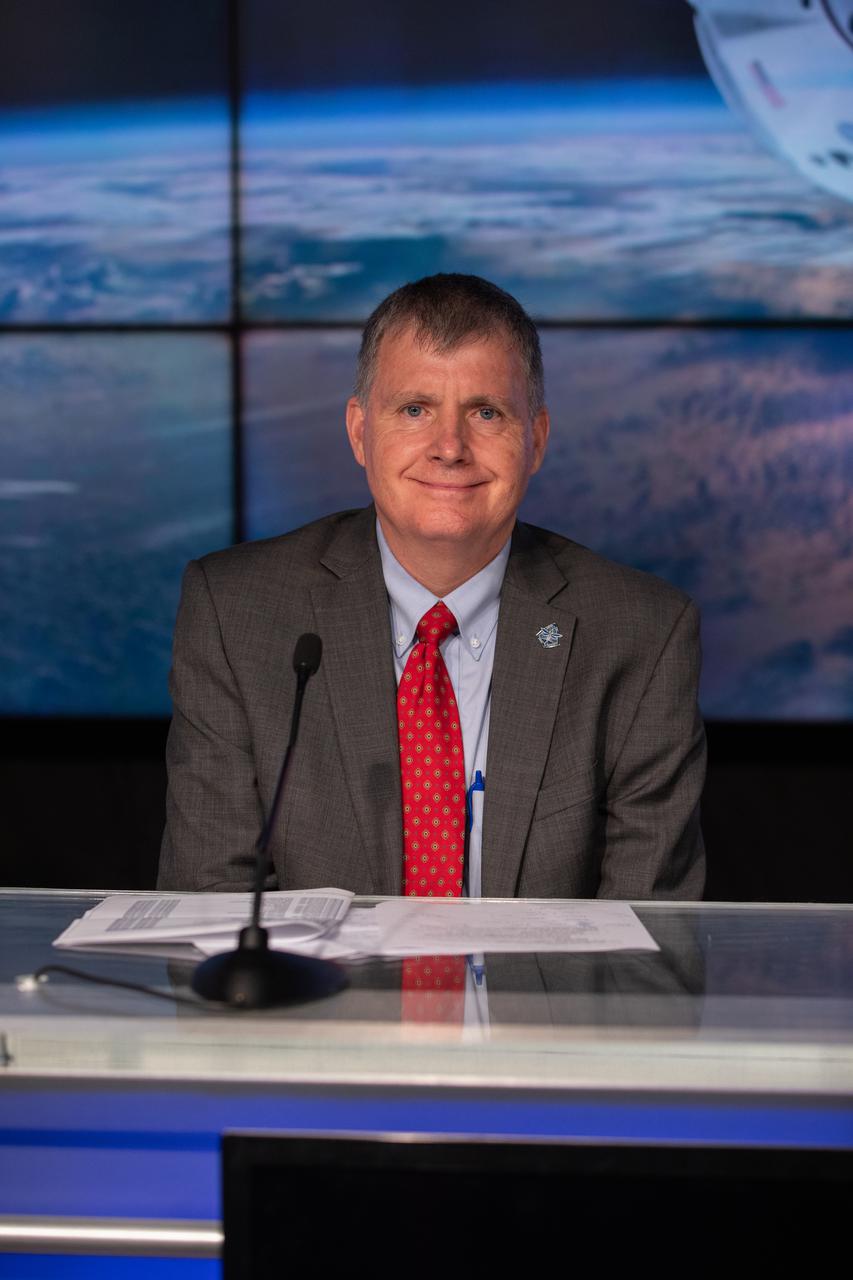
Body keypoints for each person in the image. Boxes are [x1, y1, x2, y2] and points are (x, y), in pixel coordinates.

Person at [158, 273, 705, 899]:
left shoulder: (643, 635)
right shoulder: (234, 612)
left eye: (486, 412)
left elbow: (647, 933)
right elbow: (210, 909)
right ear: (360, 432)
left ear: (535, 440)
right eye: (414, 409)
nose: (450, 448)